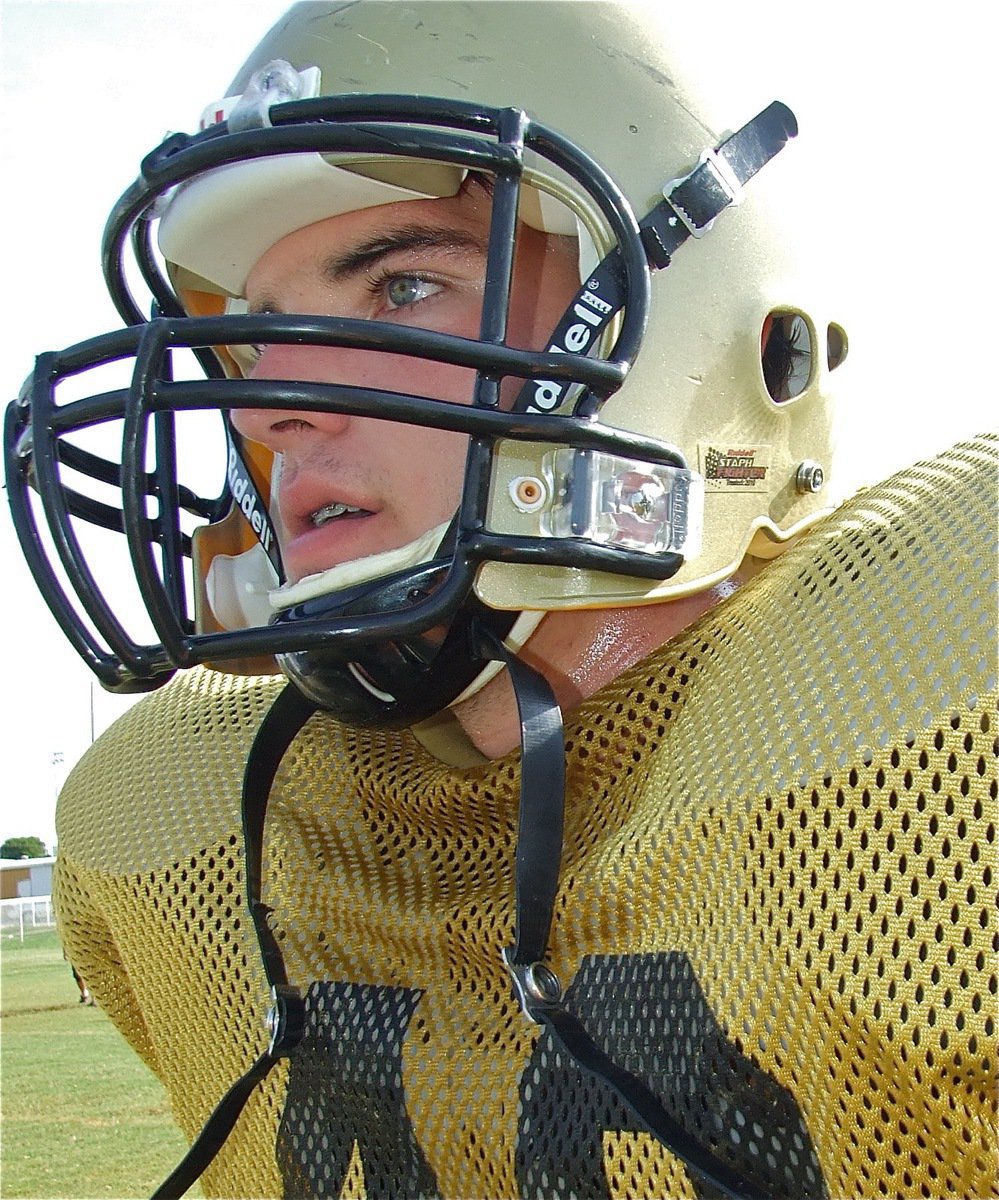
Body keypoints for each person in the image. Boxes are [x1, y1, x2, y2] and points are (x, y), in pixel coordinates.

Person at [5, 3, 995, 1198]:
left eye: (404, 286)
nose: (270, 407)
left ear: (698, 325)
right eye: (258, 339)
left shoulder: (938, 738)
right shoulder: (187, 825)